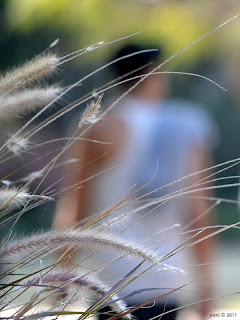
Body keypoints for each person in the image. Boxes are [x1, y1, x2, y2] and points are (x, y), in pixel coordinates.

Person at [54, 44, 218, 319]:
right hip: (166, 279)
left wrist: (61, 272)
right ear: (154, 74)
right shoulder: (188, 126)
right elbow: (198, 212)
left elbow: (75, 210)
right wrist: (207, 285)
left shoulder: (99, 128)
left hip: (109, 279)